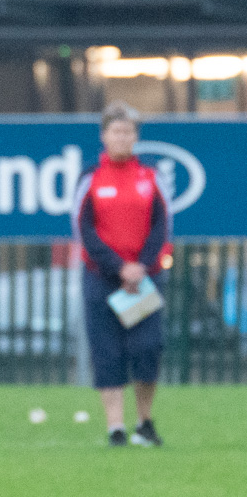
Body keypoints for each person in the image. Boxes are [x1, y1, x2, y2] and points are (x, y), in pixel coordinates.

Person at [73, 100, 172, 447]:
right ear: (104, 136)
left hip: (143, 279)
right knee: (107, 352)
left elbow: (162, 225)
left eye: (128, 131)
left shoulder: (150, 178)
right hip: (102, 277)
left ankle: (144, 423)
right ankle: (115, 427)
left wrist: (140, 266)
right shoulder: (91, 179)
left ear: (135, 137)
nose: (122, 137)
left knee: (148, 348)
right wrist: (118, 267)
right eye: (116, 130)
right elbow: (83, 228)